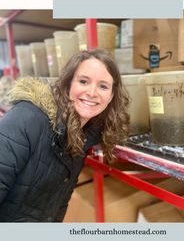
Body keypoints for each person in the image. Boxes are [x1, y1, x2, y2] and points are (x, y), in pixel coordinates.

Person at [0, 49, 130, 222]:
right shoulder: (26, 119)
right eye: (83, 81)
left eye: (103, 86)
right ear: (68, 84)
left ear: (111, 96)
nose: (92, 92)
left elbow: (58, 204)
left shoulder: (82, 134)